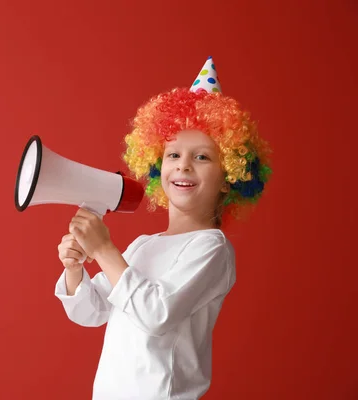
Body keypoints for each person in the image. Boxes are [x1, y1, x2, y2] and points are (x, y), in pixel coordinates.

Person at [54, 56, 272, 400]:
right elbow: (92, 312)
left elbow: (156, 315)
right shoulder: (143, 246)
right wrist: (75, 268)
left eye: (202, 157)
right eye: (173, 155)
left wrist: (103, 250)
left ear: (230, 177)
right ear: (157, 166)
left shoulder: (211, 248)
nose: (183, 165)